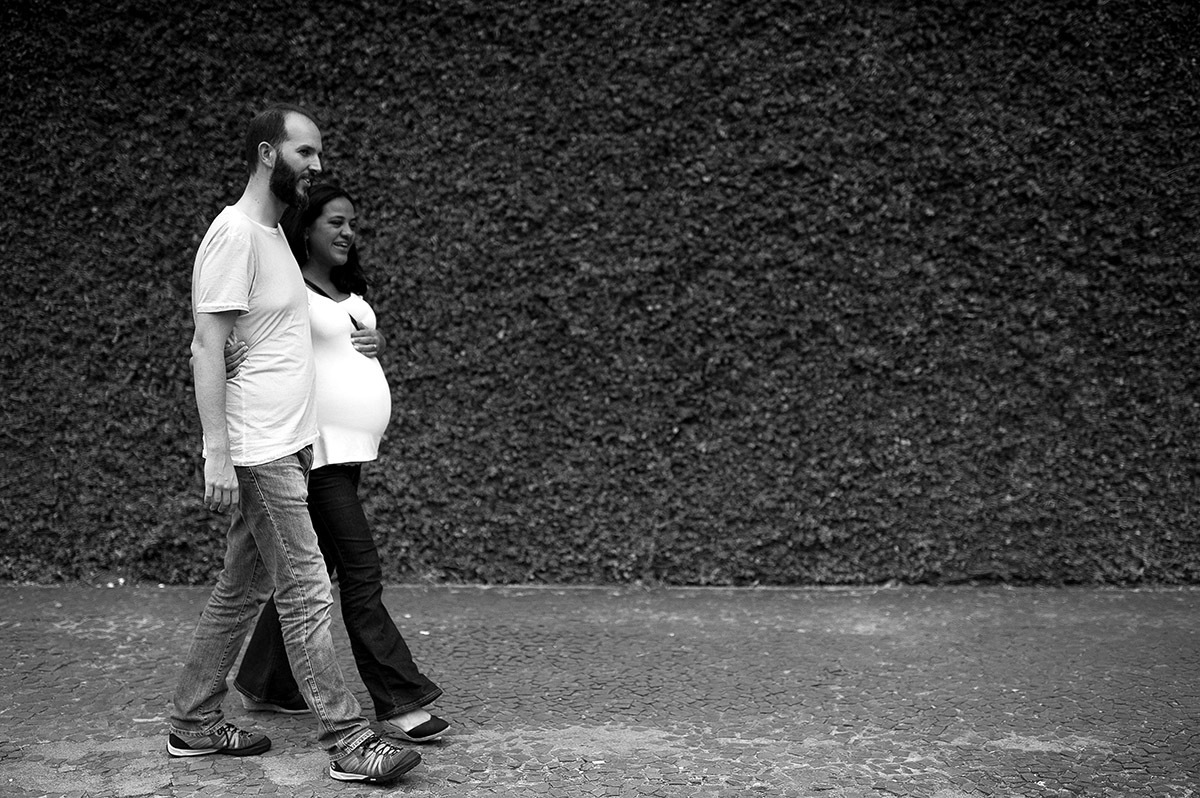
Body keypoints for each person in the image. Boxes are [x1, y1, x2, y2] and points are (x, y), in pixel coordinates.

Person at [167, 104, 421, 785]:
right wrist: (215, 449)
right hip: (258, 447)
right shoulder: (236, 234)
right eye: (304, 152)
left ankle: (191, 725)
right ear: (265, 154)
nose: (315, 165)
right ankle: (347, 739)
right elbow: (206, 344)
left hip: (287, 443)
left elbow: (275, 341)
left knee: (240, 591)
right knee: (308, 586)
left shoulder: (275, 236)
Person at [228, 183, 449, 743]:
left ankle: (269, 682)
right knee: (359, 570)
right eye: (336, 222)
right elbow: (245, 344)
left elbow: (344, 351)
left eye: (353, 222)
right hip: (316, 455)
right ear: (306, 229)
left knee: (310, 574)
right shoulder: (290, 292)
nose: (348, 231)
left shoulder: (347, 292)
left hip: (350, 456)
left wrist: (374, 343)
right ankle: (398, 699)